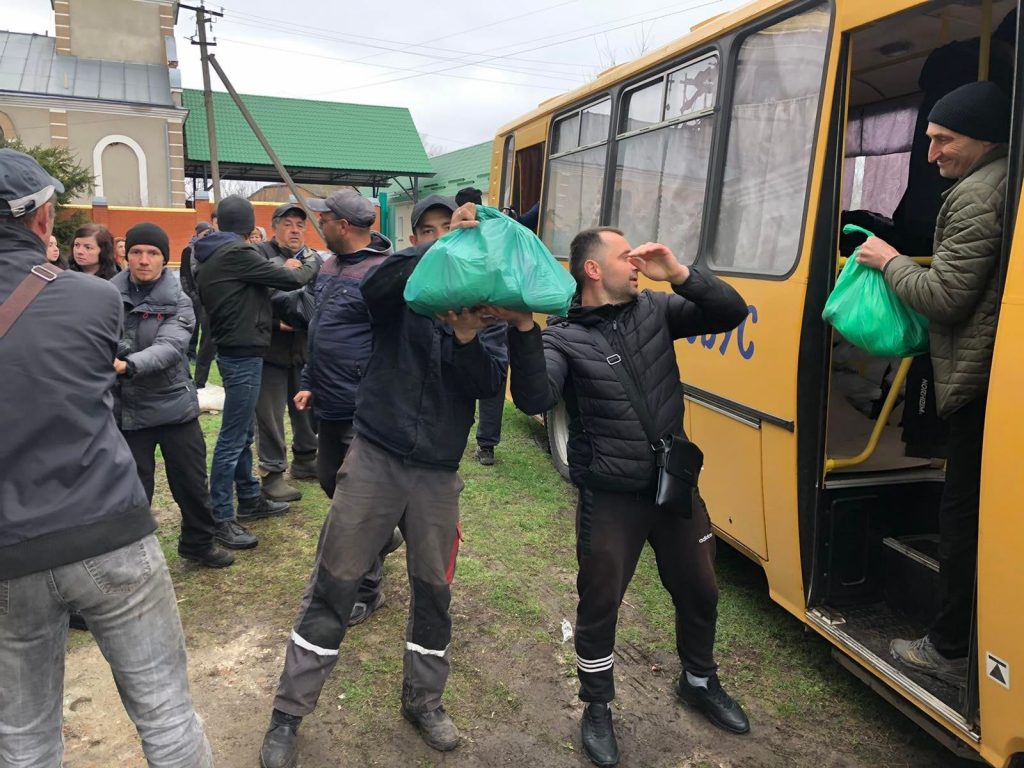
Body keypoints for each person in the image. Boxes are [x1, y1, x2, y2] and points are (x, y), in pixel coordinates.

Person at [258, 202, 510, 768]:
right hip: (374, 455)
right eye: (429, 231)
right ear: (415, 240)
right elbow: (376, 288)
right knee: (335, 581)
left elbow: (489, 384)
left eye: (452, 233)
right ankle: (288, 714)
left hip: (438, 473)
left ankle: (424, 701)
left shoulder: (487, 311)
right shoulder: (399, 292)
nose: (443, 240)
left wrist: (469, 337)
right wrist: (436, 249)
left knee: (434, 592)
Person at [0, 147, 214, 767]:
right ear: (44, 222)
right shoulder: (96, 300)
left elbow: (167, 346)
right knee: (168, 716)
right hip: (105, 526)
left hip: (10, 546)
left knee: (22, 739)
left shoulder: (151, 295)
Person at [508, 227, 751, 767]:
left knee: (701, 590)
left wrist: (682, 274)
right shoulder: (561, 338)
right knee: (599, 605)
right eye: (627, 256)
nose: (638, 262)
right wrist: (524, 328)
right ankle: (597, 707)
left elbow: (731, 312)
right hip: (611, 497)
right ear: (594, 269)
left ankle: (698, 680)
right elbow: (533, 396)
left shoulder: (657, 311)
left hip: (673, 486)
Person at [855, 81, 1010, 684]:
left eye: (944, 140)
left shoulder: (974, 195)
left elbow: (945, 297)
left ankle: (947, 649)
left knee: (963, 514)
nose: (931, 154)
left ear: (984, 138)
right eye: (928, 139)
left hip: (978, 384)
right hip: (994, 374)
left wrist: (887, 261)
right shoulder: (1005, 180)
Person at [292, 190, 402, 626]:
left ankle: (366, 587)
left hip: (363, 409)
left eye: (324, 218)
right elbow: (320, 329)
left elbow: (392, 344)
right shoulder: (329, 266)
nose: (319, 222)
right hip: (329, 402)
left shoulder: (382, 275)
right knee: (328, 482)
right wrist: (307, 383)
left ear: (344, 225)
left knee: (357, 507)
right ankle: (384, 538)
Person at [193, 195, 320, 550]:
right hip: (244, 354)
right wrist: (308, 262)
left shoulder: (212, 254)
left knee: (243, 433)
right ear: (252, 226)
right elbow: (289, 280)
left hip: (237, 352)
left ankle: (249, 498)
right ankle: (220, 517)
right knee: (234, 439)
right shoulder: (237, 254)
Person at [112, 222, 235, 569]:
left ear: (164, 259)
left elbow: (169, 348)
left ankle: (198, 544)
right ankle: (130, 558)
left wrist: (126, 363)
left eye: (152, 253)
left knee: (192, 484)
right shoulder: (107, 295)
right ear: (126, 255)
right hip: (127, 411)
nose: (143, 260)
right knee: (132, 492)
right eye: (137, 252)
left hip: (173, 407)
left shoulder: (179, 300)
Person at [254, 203, 320, 503]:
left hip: (302, 348)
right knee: (269, 415)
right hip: (270, 348)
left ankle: (306, 459)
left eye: (300, 225)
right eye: (288, 223)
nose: (295, 230)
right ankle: (273, 474)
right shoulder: (259, 256)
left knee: (304, 408)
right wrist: (273, 322)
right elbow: (246, 302)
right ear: (275, 226)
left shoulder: (311, 259)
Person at [455, 187, 507, 466]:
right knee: (493, 377)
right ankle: (486, 446)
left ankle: (458, 432)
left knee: (460, 369)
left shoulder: (456, 231)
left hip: (462, 312)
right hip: (494, 310)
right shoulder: (497, 226)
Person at [181, 220, 216, 386]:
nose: (207, 236)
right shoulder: (190, 250)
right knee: (203, 337)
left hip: (216, 299)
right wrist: (193, 296)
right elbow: (186, 275)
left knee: (214, 341)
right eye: (204, 234)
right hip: (198, 298)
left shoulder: (215, 249)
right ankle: (199, 381)